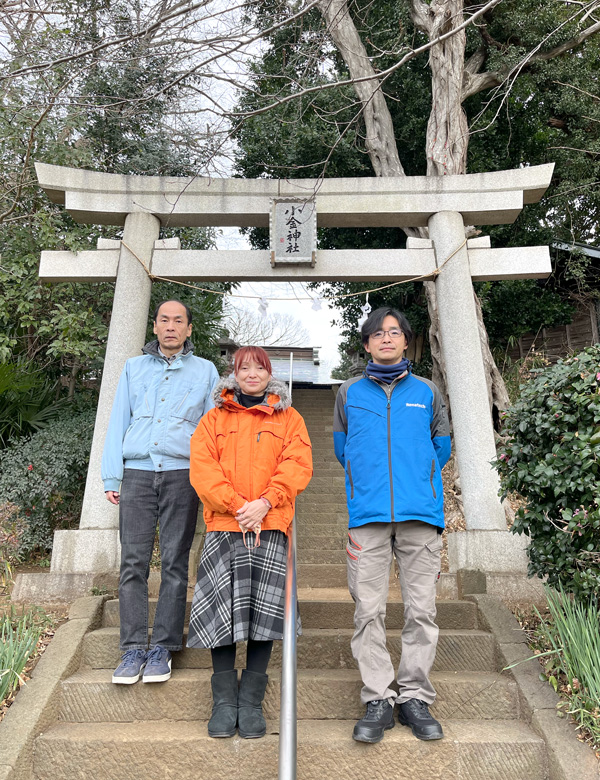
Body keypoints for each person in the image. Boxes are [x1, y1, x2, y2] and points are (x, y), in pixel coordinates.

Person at [333, 307, 451, 744]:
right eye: (378, 333)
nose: (387, 338)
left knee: (422, 610)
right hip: (368, 516)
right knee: (368, 610)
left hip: (421, 515)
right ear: (366, 344)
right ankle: (379, 698)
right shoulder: (348, 393)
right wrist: (369, 482)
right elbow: (343, 448)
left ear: (406, 341)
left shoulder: (427, 391)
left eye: (395, 332)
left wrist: (418, 479)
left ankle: (415, 696)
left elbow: (441, 446)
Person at [187, 346, 312, 739]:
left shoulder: (289, 418)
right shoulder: (213, 419)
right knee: (220, 613)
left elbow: (297, 465)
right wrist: (239, 506)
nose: (252, 374)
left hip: (270, 525)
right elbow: (203, 469)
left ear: (270, 374)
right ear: (234, 374)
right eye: (245, 368)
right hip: (225, 526)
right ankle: (224, 702)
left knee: (265, 614)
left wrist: (265, 503)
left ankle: (252, 701)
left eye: (260, 367)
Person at [102, 299, 219, 685]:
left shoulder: (206, 371)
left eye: (178, 321)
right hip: (136, 473)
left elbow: (212, 430)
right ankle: (133, 646)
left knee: (174, 562)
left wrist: (208, 481)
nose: (171, 326)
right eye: (164, 320)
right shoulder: (133, 368)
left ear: (188, 329)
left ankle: (163, 648)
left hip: (182, 474)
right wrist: (112, 476)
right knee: (132, 562)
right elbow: (118, 419)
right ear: (154, 326)